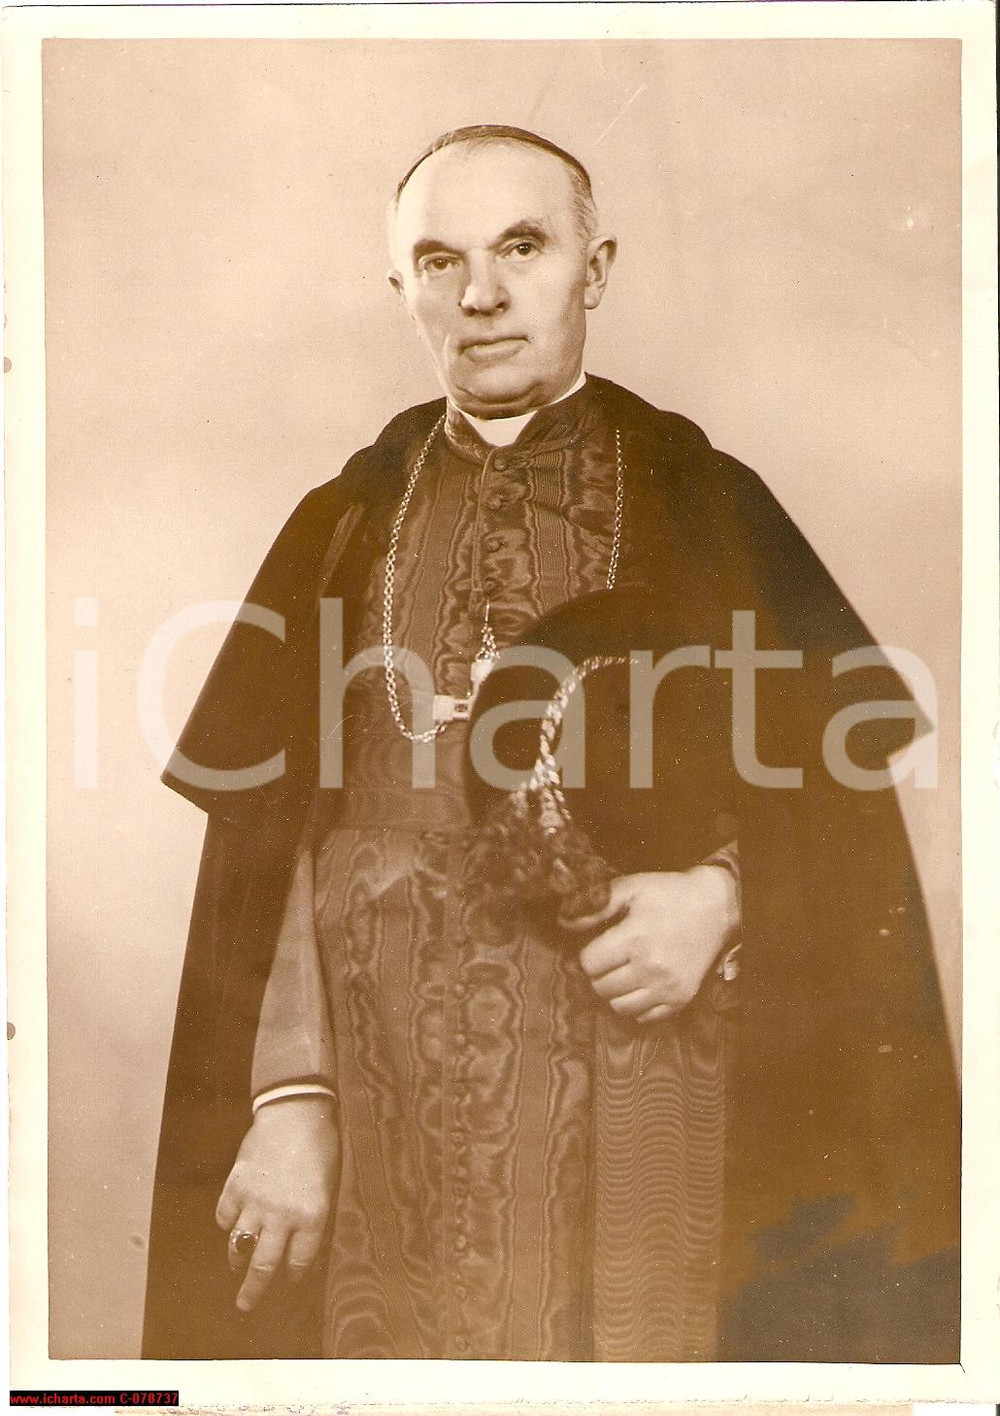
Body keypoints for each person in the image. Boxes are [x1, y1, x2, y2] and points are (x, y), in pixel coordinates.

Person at [143, 125, 959, 1363]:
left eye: (521, 246)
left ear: (596, 266)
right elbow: (273, 851)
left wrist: (723, 901)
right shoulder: (344, 521)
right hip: (381, 1121)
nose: (478, 295)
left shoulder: (710, 504)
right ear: (402, 289)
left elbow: (842, 822)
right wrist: (290, 1098)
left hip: (649, 1094)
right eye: (437, 260)